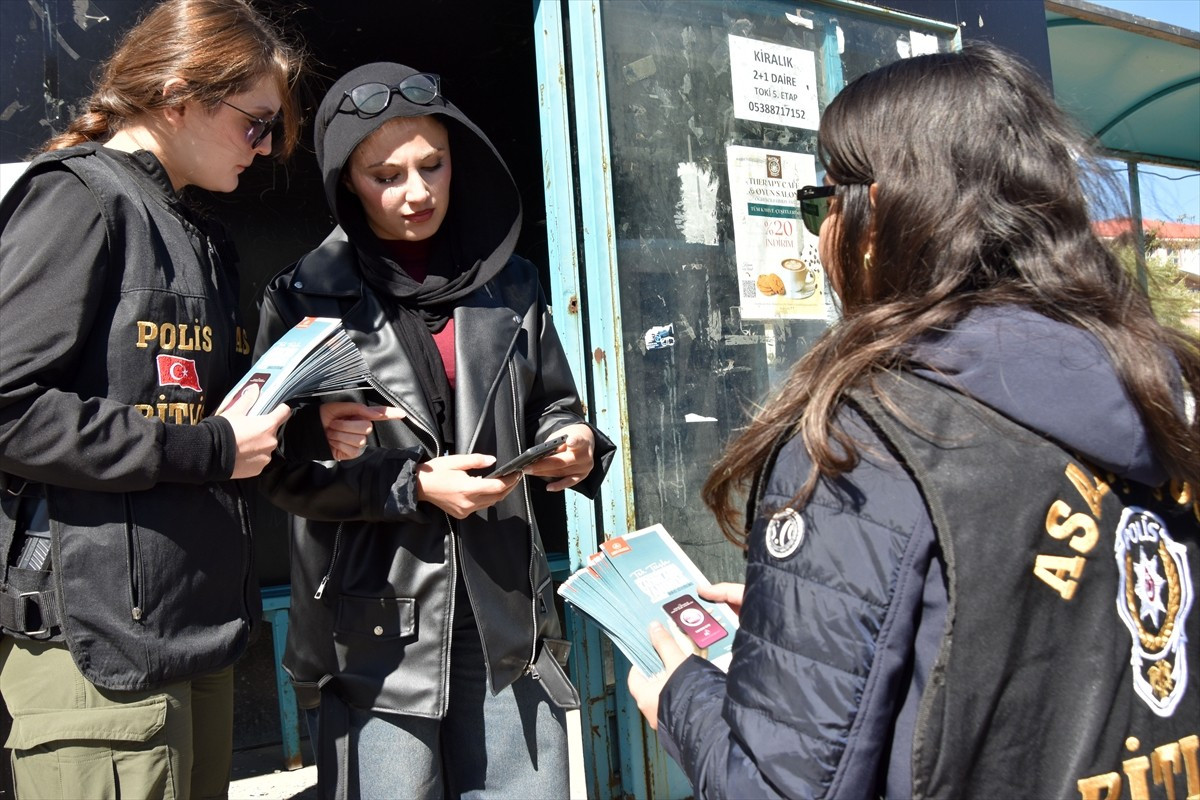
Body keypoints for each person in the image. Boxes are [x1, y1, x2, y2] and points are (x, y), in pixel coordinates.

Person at [627, 43, 1200, 799]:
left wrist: (681, 697)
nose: (819, 234)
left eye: (820, 204)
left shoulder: (865, 435)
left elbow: (777, 787)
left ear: (879, 217)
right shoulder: (1170, 397)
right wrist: (812, 616)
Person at [254, 62, 616, 799]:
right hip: (375, 636)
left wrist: (573, 441)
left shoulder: (508, 281)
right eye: (385, 175)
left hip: (505, 611)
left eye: (432, 165)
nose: (416, 192)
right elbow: (275, 468)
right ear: (345, 183)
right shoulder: (302, 296)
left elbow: (552, 401)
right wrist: (412, 486)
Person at [0, 1, 305, 796]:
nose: (268, 148)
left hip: (186, 631)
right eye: (255, 123)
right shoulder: (79, 200)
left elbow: (199, 417)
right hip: (96, 654)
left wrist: (291, 425)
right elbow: (6, 406)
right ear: (179, 96)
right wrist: (208, 448)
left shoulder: (194, 231)